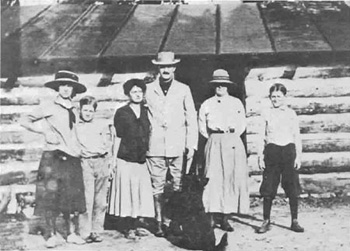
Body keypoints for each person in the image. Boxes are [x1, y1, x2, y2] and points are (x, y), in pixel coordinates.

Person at [20, 70, 87, 248]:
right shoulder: (48, 105)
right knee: (50, 198)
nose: (66, 89)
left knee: (72, 197)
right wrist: (44, 131)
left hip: (72, 157)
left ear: (74, 89)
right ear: (58, 87)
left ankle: (71, 233)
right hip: (53, 157)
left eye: (69, 86)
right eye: (63, 85)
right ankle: (50, 235)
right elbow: (24, 120)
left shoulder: (75, 107)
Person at [145, 51, 198, 237]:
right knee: (157, 185)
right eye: (162, 67)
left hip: (177, 145)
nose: (165, 70)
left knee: (178, 186)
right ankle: (159, 223)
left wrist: (191, 145)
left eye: (168, 66)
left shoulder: (183, 89)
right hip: (155, 145)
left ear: (174, 68)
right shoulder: (148, 89)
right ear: (157, 68)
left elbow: (192, 117)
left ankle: (176, 221)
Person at [198, 69, 249, 232]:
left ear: (228, 86)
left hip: (232, 141)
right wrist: (215, 137)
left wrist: (230, 136)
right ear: (214, 86)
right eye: (217, 85)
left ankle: (226, 218)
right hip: (214, 141)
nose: (221, 87)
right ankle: (212, 217)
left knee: (229, 178)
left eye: (224, 85)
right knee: (213, 178)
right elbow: (202, 128)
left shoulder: (236, 103)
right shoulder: (207, 104)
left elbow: (242, 125)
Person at [107, 79, 155, 238]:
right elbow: (117, 137)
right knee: (126, 194)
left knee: (138, 193)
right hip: (125, 158)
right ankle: (127, 227)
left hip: (141, 159)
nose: (137, 94)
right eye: (134, 92)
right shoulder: (122, 112)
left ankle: (136, 224)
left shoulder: (147, 111)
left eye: (140, 92)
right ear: (128, 94)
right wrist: (113, 160)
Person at [257, 83, 304, 234]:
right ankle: (266, 220)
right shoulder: (266, 113)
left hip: (288, 151)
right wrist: (259, 156)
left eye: (279, 96)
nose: (276, 99)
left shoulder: (291, 114)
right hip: (272, 151)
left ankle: (294, 221)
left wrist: (298, 157)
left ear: (284, 97)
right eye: (273, 97)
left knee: (292, 185)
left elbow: (297, 136)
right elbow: (261, 137)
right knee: (269, 186)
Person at [76, 96, 112, 243]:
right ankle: (85, 232)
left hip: (101, 161)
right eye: (85, 110)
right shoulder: (76, 126)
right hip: (86, 163)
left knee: (100, 200)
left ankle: (96, 230)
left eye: (91, 110)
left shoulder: (101, 125)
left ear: (95, 111)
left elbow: (109, 142)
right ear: (80, 110)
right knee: (87, 199)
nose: (88, 113)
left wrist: (107, 159)